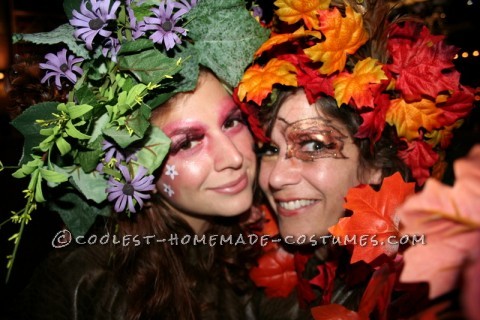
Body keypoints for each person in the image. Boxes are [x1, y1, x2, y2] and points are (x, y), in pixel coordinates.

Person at [3, 0, 268, 319]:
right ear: (128, 165)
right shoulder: (84, 284)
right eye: (187, 143)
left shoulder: (257, 239)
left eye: (231, 122)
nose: (234, 157)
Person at [235, 0, 476, 318]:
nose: (276, 178)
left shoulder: (429, 293)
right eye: (269, 149)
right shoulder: (248, 272)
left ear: (376, 164)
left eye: (313, 146)